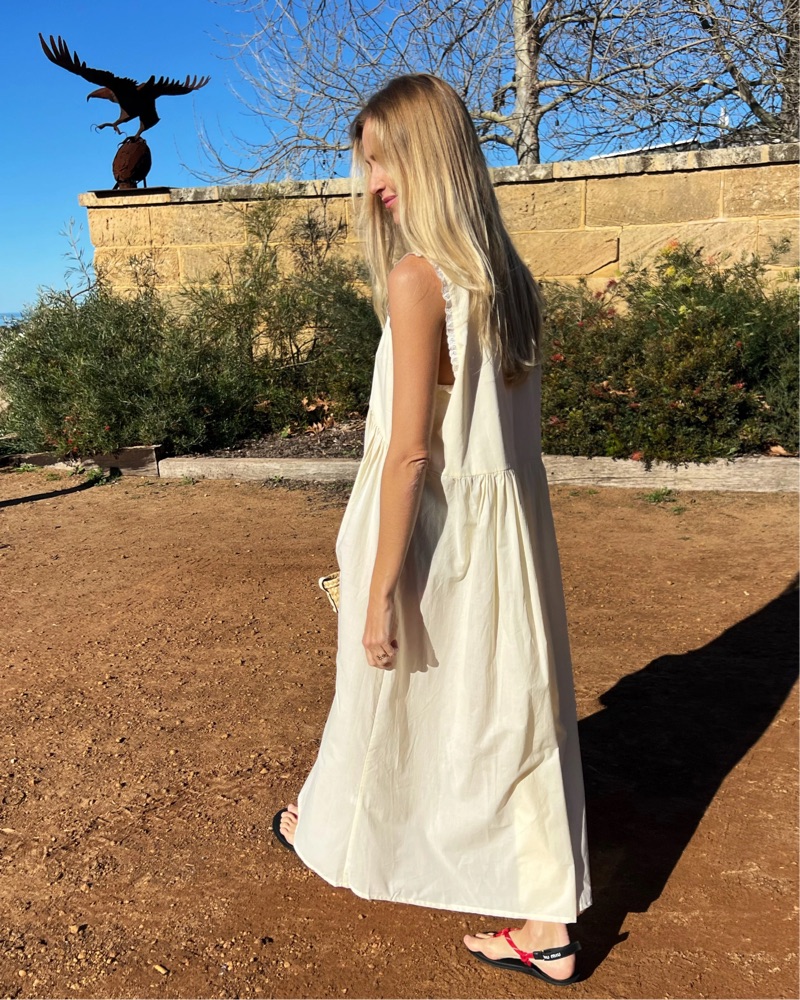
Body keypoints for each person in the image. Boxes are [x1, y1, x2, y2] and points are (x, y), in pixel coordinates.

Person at [272, 73, 591, 986]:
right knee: (512, 712)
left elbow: (411, 453)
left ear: (431, 158)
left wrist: (376, 590)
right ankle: (548, 923)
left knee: (380, 686)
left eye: (386, 160)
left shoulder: (419, 280)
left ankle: (332, 823)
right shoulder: (507, 281)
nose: (373, 182)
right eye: (367, 163)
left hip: (434, 532)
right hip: (505, 537)